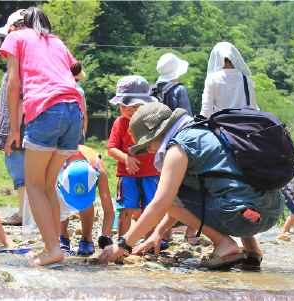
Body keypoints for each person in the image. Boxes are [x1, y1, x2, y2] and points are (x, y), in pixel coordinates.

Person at [99, 102, 284, 270]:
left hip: (239, 218)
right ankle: (252, 250)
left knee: (165, 191)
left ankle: (223, 243)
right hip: (270, 213)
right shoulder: (204, 131)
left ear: (159, 133)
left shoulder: (178, 148)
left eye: (147, 144)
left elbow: (163, 203)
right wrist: (158, 232)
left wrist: (123, 244)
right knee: (229, 187)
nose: (148, 150)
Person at [1, 7, 84, 266]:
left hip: (47, 110)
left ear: (17, 26)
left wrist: (15, 128)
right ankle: (54, 246)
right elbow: (73, 73)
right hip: (74, 110)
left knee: (33, 184)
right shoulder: (56, 41)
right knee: (48, 185)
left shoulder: (16, 37)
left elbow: (14, 84)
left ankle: (52, 249)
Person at [106, 75, 161, 244]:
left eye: (135, 106)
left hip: (152, 172)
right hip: (127, 173)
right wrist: (126, 159)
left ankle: (149, 242)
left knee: (151, 208)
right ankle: (124, 242)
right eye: (124, 106)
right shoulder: (120, 123)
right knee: (126, 208)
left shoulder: (154, 122)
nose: (128, 111)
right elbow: (111, 148)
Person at [151, 53, 197, 245]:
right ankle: (191, 235)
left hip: (157, 142)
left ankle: (164, 235)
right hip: (177, 144)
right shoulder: (179, 89)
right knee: (188, 186)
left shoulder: (152, 88)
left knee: (163, 188)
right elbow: (186, 118)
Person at [0, 9, 26, 226]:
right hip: (22, 128)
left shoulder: (18, 65)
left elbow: (19, 98)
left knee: (19, 170)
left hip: (18, 130)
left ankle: (23, 213)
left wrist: (14, 131)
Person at [58, 145, 114, 256]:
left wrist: (105, 237)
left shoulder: (99, 172)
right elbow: (51, 204)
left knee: (86, 204)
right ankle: (62, 236)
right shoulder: (57, 168)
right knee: (59, 202)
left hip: (89, 167)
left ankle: (86, 238)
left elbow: (108, 211)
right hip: (62, 163)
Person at [200, 41, 259, 118]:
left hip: (220, 126)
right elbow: (253, 109)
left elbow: (206, 112)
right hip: (244, 126)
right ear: (234, 57)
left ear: (215, 57)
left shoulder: (212, 79)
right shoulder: (247, 80)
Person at [70, 61, 88, 145]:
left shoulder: (58, 87)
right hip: (76, 132)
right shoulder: (79, 91)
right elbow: (84, 116)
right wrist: (83, 134)